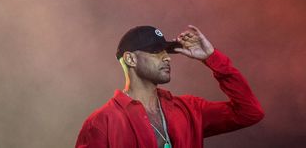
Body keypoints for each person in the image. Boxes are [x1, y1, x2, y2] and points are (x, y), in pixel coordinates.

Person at [75, 25, 264, 148]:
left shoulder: (189, 109)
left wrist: (212, 58)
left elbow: (249, 112)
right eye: (156, 51)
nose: (166, 57)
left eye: (167, 51)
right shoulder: (101, 123)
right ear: (130, 59)